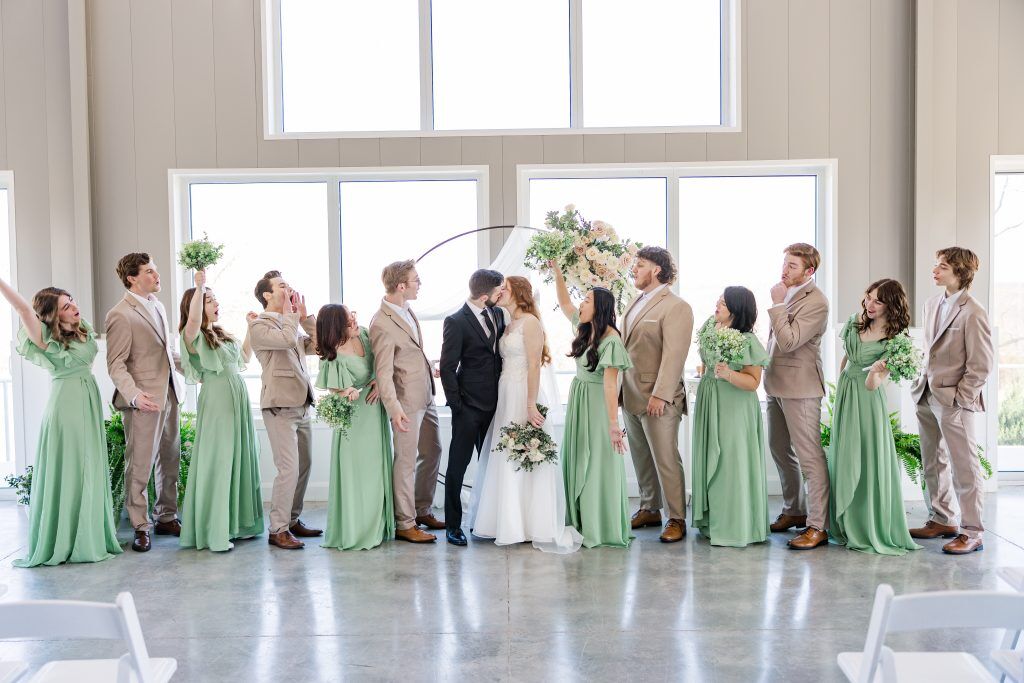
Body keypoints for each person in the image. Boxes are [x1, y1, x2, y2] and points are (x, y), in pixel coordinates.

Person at [1, 277, 122, 567]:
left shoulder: (82, 330)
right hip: (66, 404)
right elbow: (23, 310)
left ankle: (89, 534)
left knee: (88, 464)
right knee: (72, 465)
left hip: (87, 398)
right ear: (54, 315)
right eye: (67, 306)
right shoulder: (44, 337)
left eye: (73, 301)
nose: (75, 307)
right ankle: (67, 539)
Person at [470, 276, 583, 553]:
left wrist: (531, 404)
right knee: (506, 453)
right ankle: (507, 521)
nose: (500, 293)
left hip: (523, 393)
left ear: (518, 292)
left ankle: (533, 524)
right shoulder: (507, 323)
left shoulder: (531, 323)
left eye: (504, 288)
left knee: (522, 452)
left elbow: (534, 365)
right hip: (505, 393)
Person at [909, 247, 994, 555]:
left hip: (954, 400)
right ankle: (943, 518)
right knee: (932, 461)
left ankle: (972, 531)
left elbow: (981, 364)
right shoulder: (932, 304)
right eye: (936, 265)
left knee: (965, 467)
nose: (935, 270)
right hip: (926, 393)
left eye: (942, 266)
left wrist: (961, 398)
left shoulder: (973, 311)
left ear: (960, 272)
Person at [828, 279, 920, 556]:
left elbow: (874, 384)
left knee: (866, 456)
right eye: (868, 297)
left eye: (878, 301)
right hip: (846, 393)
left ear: (890, 305)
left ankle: (867, 524)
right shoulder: (855, 322)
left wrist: (875, 372)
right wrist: (839, 390)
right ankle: (844, 521)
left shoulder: (896, 339)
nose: (869, 304)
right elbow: (847, 360)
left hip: (867, 400)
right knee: (845, 454)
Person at [177, 270, 264, 551]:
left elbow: (245, 358)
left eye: (215, 299)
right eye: (209, 301)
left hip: (236, 396)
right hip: (217, 399)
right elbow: (192, 321)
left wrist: (250, 327)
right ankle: (214, 528)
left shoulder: (221, 334)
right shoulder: (192, 336)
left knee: (238, 456)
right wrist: (199, 288)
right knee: (220, 458)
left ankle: (236, 524)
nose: (215, 304)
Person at [106, 253, 185, 553]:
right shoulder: (120, 314)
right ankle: (141, 525)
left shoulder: (159, 306)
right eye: (150, 271)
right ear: (132, 278)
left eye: (156, 270)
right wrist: (136, 396)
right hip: (143, 401)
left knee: (170, 459)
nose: (156, 275)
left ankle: (166, 516)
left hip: (170, 394)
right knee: (139, 464)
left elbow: (165, 353)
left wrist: (192, 368)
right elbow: (115, 364)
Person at [551, 262, 633, 548]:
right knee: (578, 457)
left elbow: (612, 385)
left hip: (599, 406)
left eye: (586, 300)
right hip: (580, 400)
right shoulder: (585, 330)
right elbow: (563, 303)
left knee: (598, 461)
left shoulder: (612, 341)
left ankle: (600, 525)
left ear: (599, 308)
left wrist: (614, 425)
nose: (580, 304)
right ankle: (581, 520)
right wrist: (558, 273)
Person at [620, 246, 693, 543]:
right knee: (641, 457)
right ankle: (650, 507)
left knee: (665, 457)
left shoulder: (676, 306)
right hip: (630, 393)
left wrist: (661, 395)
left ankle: (676, 517)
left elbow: (675, 355)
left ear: (657, 270)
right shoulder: (634, 302)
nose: (634, 270)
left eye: (641, 265)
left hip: (658, 397)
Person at [370, 260, 444, 543]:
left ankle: (422, 509)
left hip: (427, 394)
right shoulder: (381, 323)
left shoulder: (408, 311)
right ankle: (405, 523)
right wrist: (395, 408)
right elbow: (384, 373)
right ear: (401, 286)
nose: (419, 284)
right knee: (405, 462)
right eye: (416, 280)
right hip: (405, 403)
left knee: (433, 450)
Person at [691, 287, 770, 547]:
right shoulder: (710, 327)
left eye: (724, 303)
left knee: (731, 462)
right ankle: (713, 521)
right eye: (719, 300)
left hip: (735, 405)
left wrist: (728, 374)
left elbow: (753, 382)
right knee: (710, 458)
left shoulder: (747, 340)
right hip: (709, 398)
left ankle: (736, 524)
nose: (717, 305)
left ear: (737, 310)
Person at [764, 243, 831, 550]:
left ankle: (817, 526)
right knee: (778, 448)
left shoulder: (817, 302)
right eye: (784, 264)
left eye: (792, 266)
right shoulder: (787, 293)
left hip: (801, 388)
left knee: (809, 457)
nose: (784, 270)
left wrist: (777, 305)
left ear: (810, 271)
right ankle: (794, 510)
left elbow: (789, 341)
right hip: (775, 384)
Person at [249, 270, 320, 550]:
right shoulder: (258, 326)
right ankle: (277, 529)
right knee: (288, 469)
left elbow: (319, 347)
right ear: (267, 295)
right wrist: (292, 319)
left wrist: (306, 319)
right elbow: (287, 341)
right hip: (279, 407)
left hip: (302, 404)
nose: (287, 288)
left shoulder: (293, 324)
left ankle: (292, 519)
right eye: (281, 285)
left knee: (304, 465)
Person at [315, 304, 395, 550]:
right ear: (336, 325)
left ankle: (378, 524)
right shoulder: (333, 354)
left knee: (376, 470)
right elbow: (332, 388)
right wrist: (344, 390)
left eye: (352, 315)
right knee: (357, 474)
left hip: (374, 412)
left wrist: (380, 383)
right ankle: (356, 529)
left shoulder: (363, 335)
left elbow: (381, 364)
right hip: (354, 418)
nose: (353, 319)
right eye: (347, 318)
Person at [439, 269, 506, 546]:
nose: (502, 294)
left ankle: (493, 519)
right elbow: (446, 367)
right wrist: (457, 405)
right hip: (468, 407)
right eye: (499, 291)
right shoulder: (456, 321)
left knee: (495, 465)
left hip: (498, 405)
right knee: (458, 465)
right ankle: (453, 525)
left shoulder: (499, 314)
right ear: (483, 296)